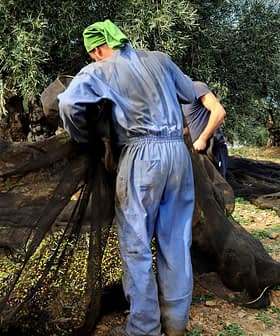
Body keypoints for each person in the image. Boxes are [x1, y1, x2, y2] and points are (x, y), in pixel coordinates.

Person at [58, 19, 195, 336]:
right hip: (178, 156)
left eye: (94, 53)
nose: (94, 58)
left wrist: (84, 137)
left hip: (140, 156)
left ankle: (144, 329)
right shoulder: (161, 59)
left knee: (136, 245)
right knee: (176, 241)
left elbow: (67, 103)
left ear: (98, 47)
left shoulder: (99, 69)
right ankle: (176, 323)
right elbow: (188, 93)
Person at [181, 81, 228, 177]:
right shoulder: (177, 98)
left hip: (210, 149)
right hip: (193, 153)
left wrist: (203, 139)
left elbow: (219, 112)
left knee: (217, 186)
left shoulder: (196, 87)